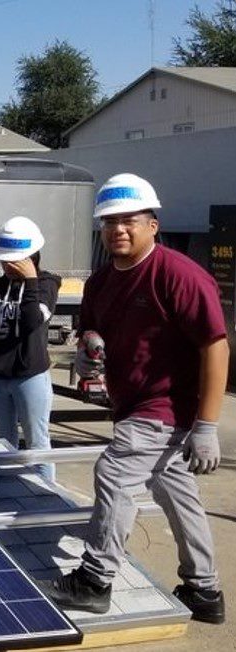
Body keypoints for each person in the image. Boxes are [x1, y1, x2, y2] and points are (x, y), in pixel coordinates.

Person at [41, 174, 228, 624]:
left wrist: (206, 426)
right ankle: (204, 590)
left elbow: (215, 345)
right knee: (176, 493)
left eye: (129, 221)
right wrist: (87, 351)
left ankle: (94, 580)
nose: (118, 230)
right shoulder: (102, 281)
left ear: (153, 224)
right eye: (109, 222)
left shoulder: (180, 275)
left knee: (114, 472)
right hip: (131, 401)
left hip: (167, 406)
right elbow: (92, 329)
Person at [0, 216, 61, 482]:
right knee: (3, 440)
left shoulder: (47, 284)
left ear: (32, 256)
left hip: (30, 375)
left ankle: (48, 492)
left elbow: (32, 321)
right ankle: (11, 488)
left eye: (14, 260)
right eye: (4, 260)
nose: (8, 265)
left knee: (37, 440)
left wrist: (31, 283)